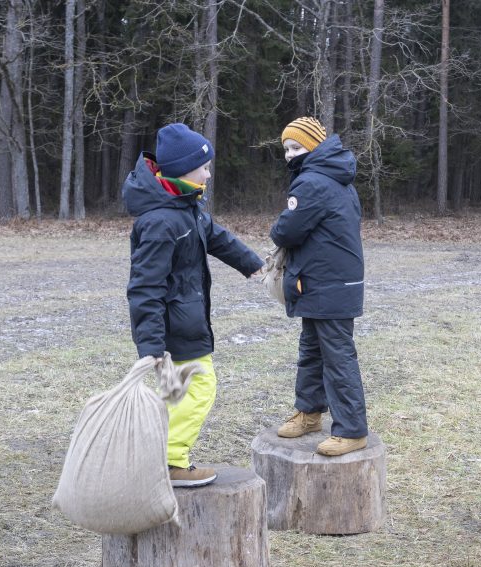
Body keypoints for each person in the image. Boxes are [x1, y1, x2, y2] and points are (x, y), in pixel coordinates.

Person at [122, 122, 263, 487]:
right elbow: (144, 287)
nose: (209, 173)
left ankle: (156, 457)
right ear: (185, 170)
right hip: (175, 326)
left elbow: (216, 237)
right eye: (204, 167)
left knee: (174, 393)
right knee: (200, 386)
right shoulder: (161, 221)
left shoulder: (187, 206)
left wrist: (252, 264)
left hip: (187, 319)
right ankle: (170, 461)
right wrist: (151, 344)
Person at [270, 117, 369, 456]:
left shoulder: (311, 182)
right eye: (285, 148)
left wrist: (278, 224)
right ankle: (309, 412)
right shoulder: (334, 177)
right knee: (312, 348)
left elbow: (287, 230)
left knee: (338, 357)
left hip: (329, 283)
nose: (289, 155)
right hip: (323, 281)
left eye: (296, 147)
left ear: (313, 147)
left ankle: (352, 430)